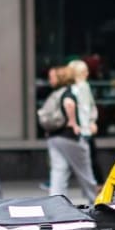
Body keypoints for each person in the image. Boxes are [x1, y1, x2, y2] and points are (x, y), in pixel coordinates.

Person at [46, 65, 98, 203]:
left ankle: (56, 204)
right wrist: (73, 122)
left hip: (54, 137)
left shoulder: (56, 93)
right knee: (85, 174)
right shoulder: (74, 90)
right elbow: (70, 104)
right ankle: (95, 202)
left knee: (59, 172)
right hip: (71, 137)